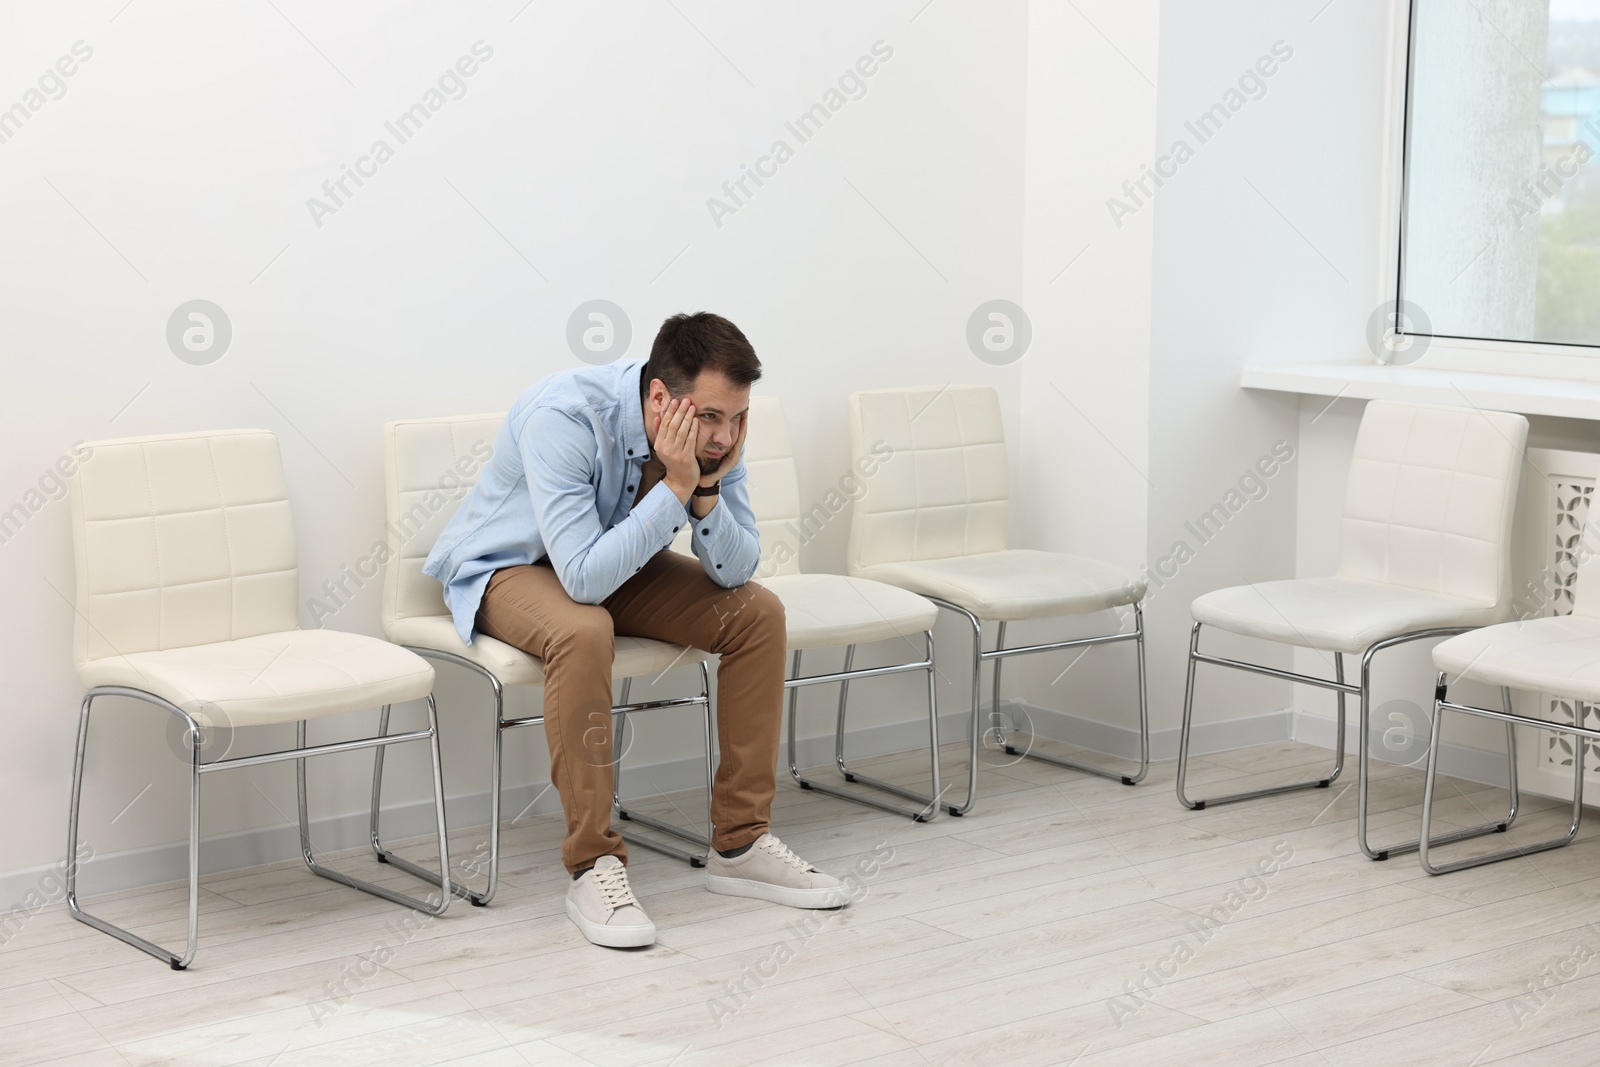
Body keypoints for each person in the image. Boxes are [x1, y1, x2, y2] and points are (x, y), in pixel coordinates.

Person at [424, 311, 845, 947]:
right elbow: (584, 582)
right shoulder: (562, 415)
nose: (725, 435)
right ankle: (593, 864)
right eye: (710, 417)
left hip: (605, 562)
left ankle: (741, 844)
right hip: (508, 569)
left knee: (756, 613)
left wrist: (703, 490)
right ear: (659, 398)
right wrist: (676, 484)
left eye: (738, 418)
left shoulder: (716, 439)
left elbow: (736, 568)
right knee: (584, 630)